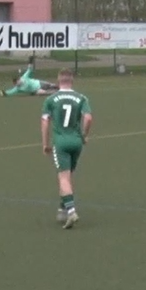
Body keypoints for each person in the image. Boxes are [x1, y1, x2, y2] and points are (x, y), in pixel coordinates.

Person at [41, 69, 93, 228]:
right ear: (72, 80)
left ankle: (71, 211)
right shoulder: (81, 98)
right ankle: (62, 209)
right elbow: (89, 118)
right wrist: (84, 135)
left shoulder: (51, 99)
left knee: (63, 177)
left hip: (61, 143)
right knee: (68, 176)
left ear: (58, 80)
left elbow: (44, 122)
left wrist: (45, 144)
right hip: (76, 142)